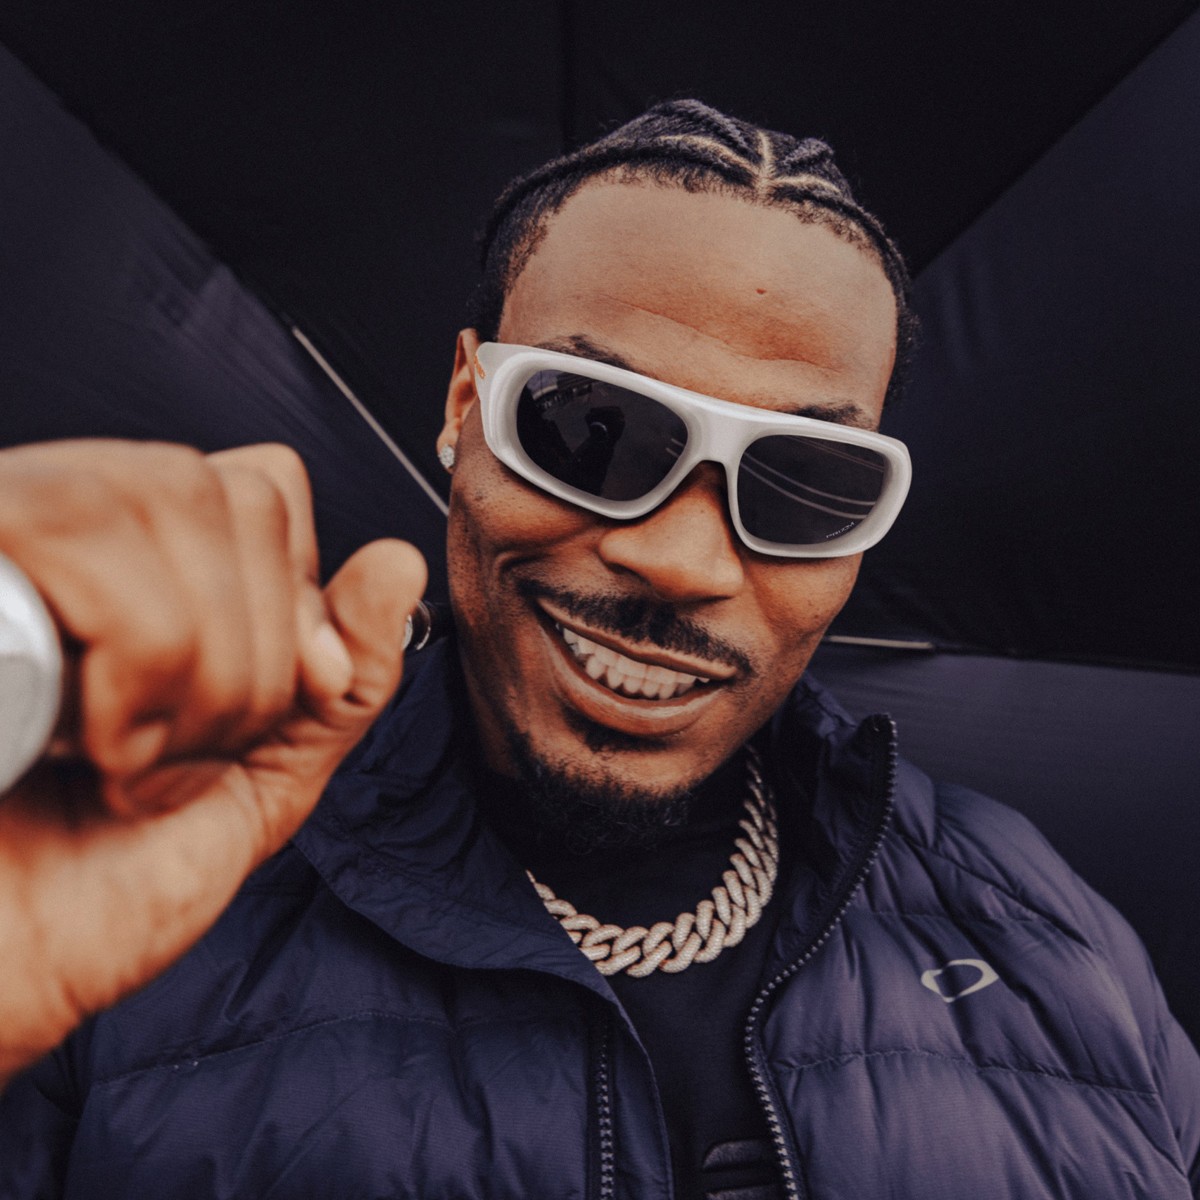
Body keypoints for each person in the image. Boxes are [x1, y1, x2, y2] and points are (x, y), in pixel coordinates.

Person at [1, 100, 1197, 1199]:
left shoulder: (1043, 929)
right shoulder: (139, 887)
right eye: (589, 428)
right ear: (466, 405)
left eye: (805, 482)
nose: (682, 560)